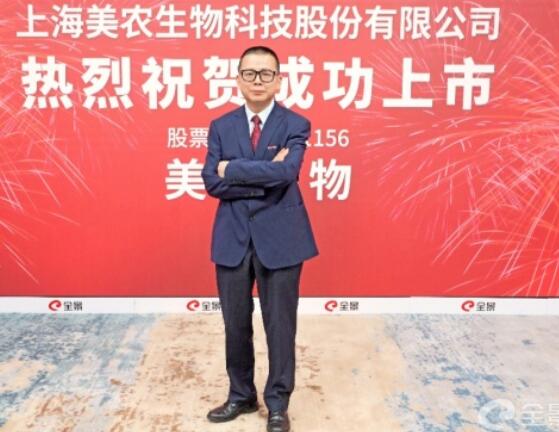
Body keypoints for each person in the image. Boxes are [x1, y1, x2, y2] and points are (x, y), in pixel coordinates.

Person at [201, 45, 319, 432]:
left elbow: (288, 173)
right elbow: (212, 181)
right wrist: (263, 174)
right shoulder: (220, 126)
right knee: (235, 324)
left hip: (282, 239)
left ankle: (278, 404)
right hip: (232, 238)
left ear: (279, 81)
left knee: (280, 326)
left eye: (266, 73)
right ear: (238, 79)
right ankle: (241, 395)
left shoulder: (296, 123)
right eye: (249, 73)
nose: (257, 80)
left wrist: (233, 168)